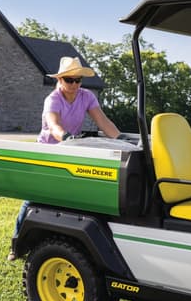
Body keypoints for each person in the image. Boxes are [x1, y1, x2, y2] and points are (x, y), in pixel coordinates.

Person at [9, 56, 120, 260]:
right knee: (34, 197)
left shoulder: (87, 97)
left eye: (78, 80)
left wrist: (122, 141)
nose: (75, 84)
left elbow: (103, 121)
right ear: (60, 80)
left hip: (71, 151)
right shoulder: (53, 99)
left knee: (73, 196)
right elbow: (54, 125)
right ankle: (16, 244)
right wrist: (67, 138)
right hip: (49, 151)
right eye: (69, 80)